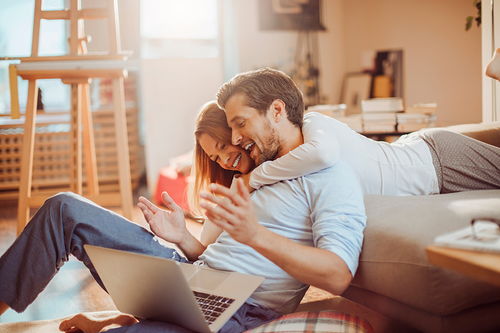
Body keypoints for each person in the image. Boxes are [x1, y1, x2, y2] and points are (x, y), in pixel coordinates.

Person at [0, 71, 366, 332]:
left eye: (240, 124)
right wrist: (182, 238)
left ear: (276, 110)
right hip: (189, 277)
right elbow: (216, 255)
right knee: (64, 208)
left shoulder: (332, 177)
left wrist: (255, 235)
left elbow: (337, 275)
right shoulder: (258, 174)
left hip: (241, 312)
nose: (236, 140)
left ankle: (123, 324)